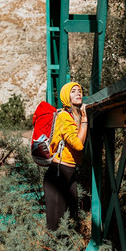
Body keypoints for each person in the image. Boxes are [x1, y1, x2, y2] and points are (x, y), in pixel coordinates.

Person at [43, 82, 88, 231]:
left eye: (79, 91)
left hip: (70, 173)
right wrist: (85, 121)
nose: (78, 93)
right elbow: (78, 145)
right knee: (56, 226)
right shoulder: (64, 116)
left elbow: (78, 147)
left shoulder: (74, 116)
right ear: (65, 96)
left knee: (71, 220)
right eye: (73, 91)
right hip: (58, 173)